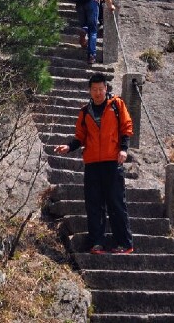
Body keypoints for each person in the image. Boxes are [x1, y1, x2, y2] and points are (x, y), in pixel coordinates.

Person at [54, 72, 135, 254]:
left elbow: (126, 127)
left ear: (106, 89)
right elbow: (80, 137)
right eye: (94, 89)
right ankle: (97, 243)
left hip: (112, 161)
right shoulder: (85, 112)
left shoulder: (116, 105)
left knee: (115, 202)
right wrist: (68, 147)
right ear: (90, 91)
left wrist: (123, 149)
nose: (98, 92)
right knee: (94, 204)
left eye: (101, 89)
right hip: (92, 164)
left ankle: (125, 243)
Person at [77, 0, 116, 66]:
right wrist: (110, 4)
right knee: (93, 30)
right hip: (92, 4)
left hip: (80, 3)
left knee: (85, 25)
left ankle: (83, 31)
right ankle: (91, 56)